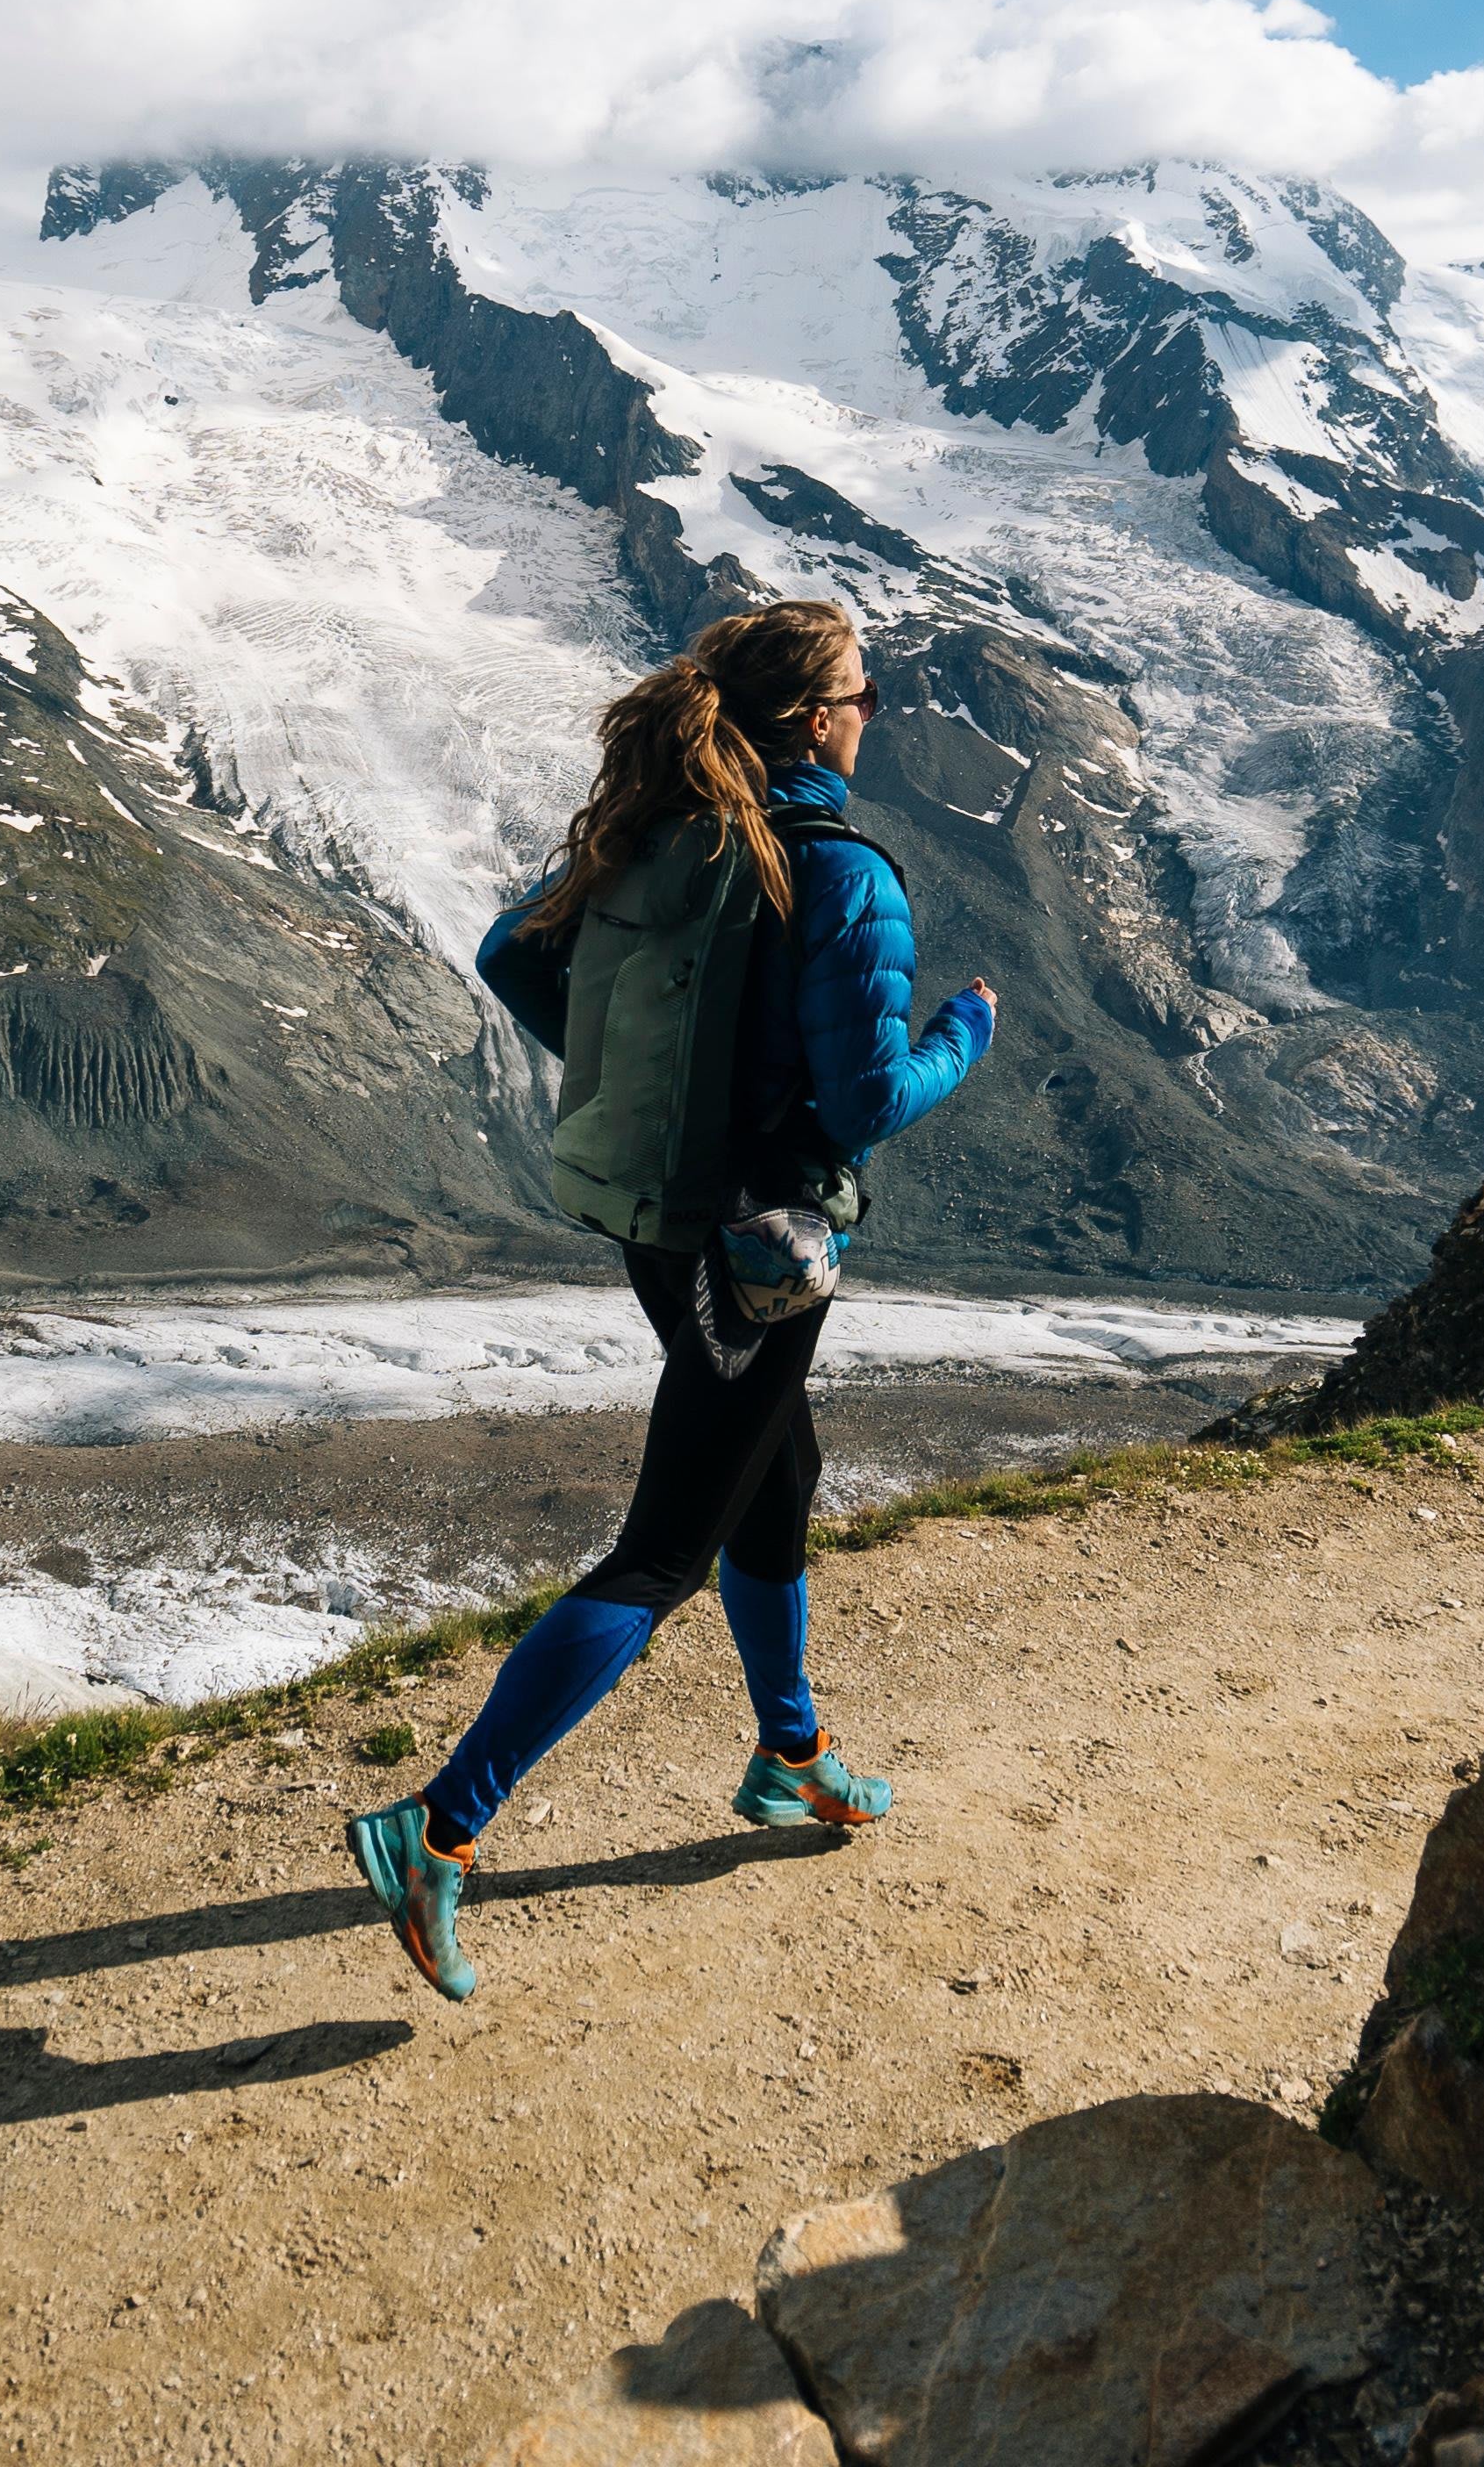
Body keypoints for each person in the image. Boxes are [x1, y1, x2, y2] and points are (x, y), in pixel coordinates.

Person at [345, 599, 993, 2003]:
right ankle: (438, 1829)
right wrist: (965, 1035)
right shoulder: (841, 873)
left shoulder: (659, 827)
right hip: (762, 1249)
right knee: (663, 1554)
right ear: (816, 721)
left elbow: (514, 956)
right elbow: (869, 1100)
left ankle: (791, 1755)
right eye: (862, 696)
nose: (870, 713)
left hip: (657, 1221)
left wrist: (631, 1078)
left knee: (779, 1464)